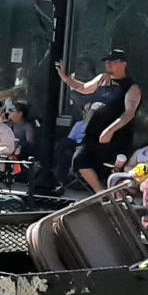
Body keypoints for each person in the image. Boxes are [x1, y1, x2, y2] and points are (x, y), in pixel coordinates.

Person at [56, 48, 142, 191]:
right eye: (107, 62)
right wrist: (65, 77)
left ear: (123, 64)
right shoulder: (102, 79)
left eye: (113, 62)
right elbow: (83, 87)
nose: (108, 64)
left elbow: (129, 113)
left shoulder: (131, 87)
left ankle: (115, 197)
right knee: (80, 160)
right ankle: (101, 193)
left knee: (110, 169)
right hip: (92, 133)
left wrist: (110, 130)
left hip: (115, 137)